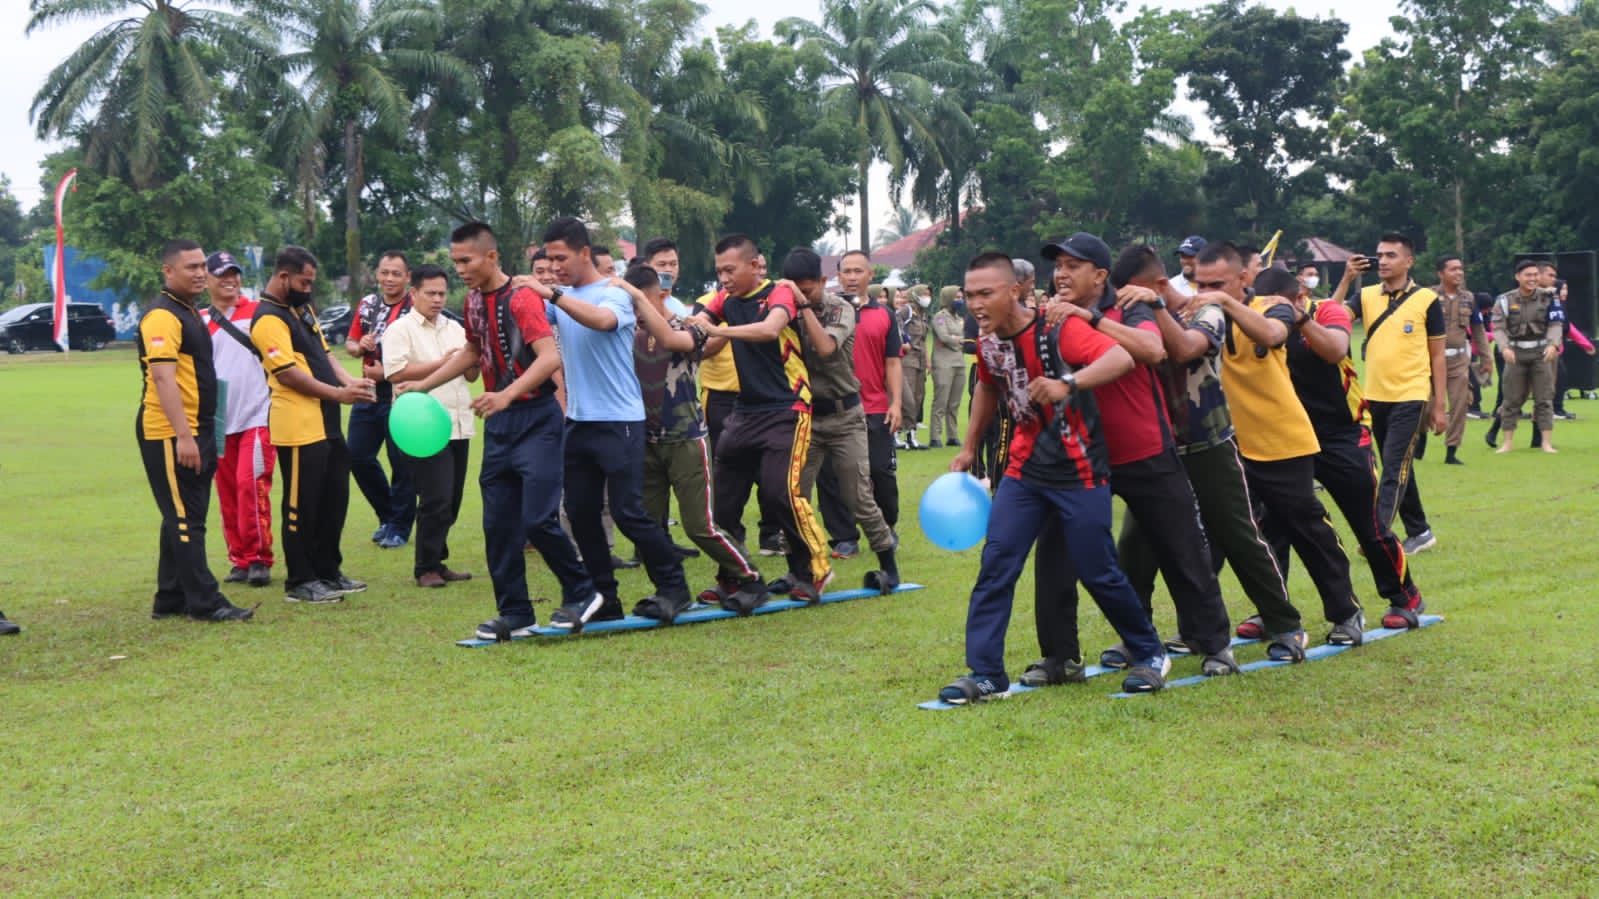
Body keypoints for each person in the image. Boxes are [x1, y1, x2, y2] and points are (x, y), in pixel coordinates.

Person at [939, 252, 1167, 704]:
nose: (976, 304)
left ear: (1015, 291)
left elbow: (1121, 358)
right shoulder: (986, 343)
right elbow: (988, 385)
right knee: (997, 564)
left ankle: (1149, 652)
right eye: (969, 295)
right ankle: (985, 673)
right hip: (1024, 471)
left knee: (1096, 568)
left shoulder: (1056, 327)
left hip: (1078, 469)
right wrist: (968, 447)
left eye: (986, 293)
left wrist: (1070, 383)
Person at [1037, 234, 1236, 678]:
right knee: (1058, 554)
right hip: (1079, 456)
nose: (1062, 275)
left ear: (1101, 276)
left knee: (1181, 548)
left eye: (1073, 266)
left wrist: (1088, 317)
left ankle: (1213, 644)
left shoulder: (1128, 305)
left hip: (1143, 449)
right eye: (1058, 267)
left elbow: (1152, 350)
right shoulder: (1050, 313)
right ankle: (1061, 656)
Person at [406, 222, 600, 638]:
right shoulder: (474, 300)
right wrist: (422, 385)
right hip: (501, 426)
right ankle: (515, 612)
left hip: (536, 418)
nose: (458, 268)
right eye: (454, 260)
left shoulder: (522, 298)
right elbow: (472, 352)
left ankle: (583, 592)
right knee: (497, 524)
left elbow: (549, 359)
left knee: (537, 519)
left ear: (491, 257)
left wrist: (506, 395)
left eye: (465, 260)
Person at [1109, 246, 1306, 653]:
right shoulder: (1133, 317)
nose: (1126, 301)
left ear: (1159, 285)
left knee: (1238, 534)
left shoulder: (1206, 309)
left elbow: (1185, 349)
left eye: (1133, 292)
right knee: (1136, 544)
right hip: (1157, 447)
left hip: (1208, 443)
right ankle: (1138, 639)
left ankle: (1285, 624)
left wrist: (1155, 305)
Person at [521, 217, 694, 626]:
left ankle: (674, 588)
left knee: (628, 512)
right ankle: (604, 597)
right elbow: (533, 319)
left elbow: (600, 322)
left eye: (562, 257)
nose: (556, 266)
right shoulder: (560, 297)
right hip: (578, 422)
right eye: (548, 260)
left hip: (620, 422)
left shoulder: (613, 292)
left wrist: (552, 293)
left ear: (584, 253)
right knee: (580, 514)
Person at [1201, 242, 1366, 651]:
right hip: (1229, 444)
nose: (1207, 292)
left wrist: (1224, 302)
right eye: (1200, 284)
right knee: (1242, 534)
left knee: (1307, 528)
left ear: (1244, 278)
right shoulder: (1200, 314)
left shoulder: (1271, 305)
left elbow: (1274, 334)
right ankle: (1268, 611)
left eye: (1217, 284)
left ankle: (1346, 611)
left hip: (1281, 439)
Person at [1258, 265, 1428, 630]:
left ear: (1300, 298)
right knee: (1273, 524)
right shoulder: (1257, 323)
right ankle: (1272, 609)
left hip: (1343, 434)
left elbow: (1335, 350)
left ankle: (1405, 596)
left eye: (1281, 306)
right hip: (1289, 436)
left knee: (1369, 524)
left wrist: (1299, 318)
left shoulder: (1326, 312)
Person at [689, 234, 833, 605]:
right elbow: (698, 335)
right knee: (722, 502)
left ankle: (812, 571)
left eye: (730, 269)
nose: (723, 278)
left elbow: (769, 330)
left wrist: (717, 330)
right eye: (719, 270)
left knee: (780, 493)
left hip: (788, 408)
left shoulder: (779, 293)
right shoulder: (725, 299)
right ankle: (735, 576)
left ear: (755, 265)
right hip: (745, 411)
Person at [614, 263, 764, 612]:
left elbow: (671, 341)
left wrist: (638, 297)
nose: (635, 311)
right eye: (630, 305)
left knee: (700, 526)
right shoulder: (627, 333)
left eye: (639, 303)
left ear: (660, 295)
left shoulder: (690, 327)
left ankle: (750, 579)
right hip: (645, 440)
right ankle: (669, 590)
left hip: (685, 438)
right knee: (649, 527)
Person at [138, 239, 255, 622]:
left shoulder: (188, 312)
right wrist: (184, 436)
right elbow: (162, 377)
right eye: (191, 267)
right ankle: (206, 602)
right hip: (171, 433)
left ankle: (170, 597)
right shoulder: (162, 316)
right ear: (168, 271)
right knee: (187, 518)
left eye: (202, 265)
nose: (200, 272)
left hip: (197, 428)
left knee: (181, 514)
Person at [251, 247, 374, 604]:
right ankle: (299, 580)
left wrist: (347, 382)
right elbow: (288, 375)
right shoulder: (268, 319)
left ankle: (327, 570)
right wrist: (339, 395)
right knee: (300, 504)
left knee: (333, 499)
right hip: (297, 422)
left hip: (326, 421)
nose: (309, 288)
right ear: (284, 277)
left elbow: (325, 354)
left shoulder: (301, 309)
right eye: (304, 282)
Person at [782, 248, 902, 593]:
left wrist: (801, 307)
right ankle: (798, 569)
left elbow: (825, 348)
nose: (804, 296)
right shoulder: (783, 307)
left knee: (858, 495)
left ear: (822, 281)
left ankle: (888, 564)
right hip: (806, 416)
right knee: (794, 496)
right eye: (797, 290)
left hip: (845, 415)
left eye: (809, 289)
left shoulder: (840, 308)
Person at [382, 264, 476, 588]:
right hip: (421, 425)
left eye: (442, 293)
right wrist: (446, 363)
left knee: (453, 499)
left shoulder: (455, 328)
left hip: (458, 422)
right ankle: (426, 568)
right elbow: (395, 374)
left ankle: (438, 559)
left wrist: (473, 359)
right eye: (430, 293)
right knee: (435, 497)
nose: (437, 299)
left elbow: (470, 373)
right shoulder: (399, 330)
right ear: (414, 294)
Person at [1353, 233, 1445, 555]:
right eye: (1380, 255)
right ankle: (1420, 531)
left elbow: (1437, 356)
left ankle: (1377, 537)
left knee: (1393, 467)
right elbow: (1330, 317)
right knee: (1401, 464)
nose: (1383, 260)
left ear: (1409, 261)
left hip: (1412, 394)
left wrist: (1440, 405)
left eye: (1391, 255)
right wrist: (1347, 279)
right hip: (1375, 395)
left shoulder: (1427, 301)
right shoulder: (1365, 296)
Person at [202, 250, 275, 588]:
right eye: (222, 274)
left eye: (234, 273)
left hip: (257, 415)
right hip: (219, 417)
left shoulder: (258, 313)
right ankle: (240, 559)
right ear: (208, 280)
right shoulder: (199, 319)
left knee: (251, 485)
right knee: (227, 490)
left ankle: (259, 557)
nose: (230, 280)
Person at [343, 251, 417, 550]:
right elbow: (349, 343)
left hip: (400, 394)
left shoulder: (415, 309)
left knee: (402, 463)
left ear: (407, 277)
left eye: (396, 273)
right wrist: (358, 346)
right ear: (376, 273)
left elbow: (423, 352)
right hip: (367, 392)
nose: (389, 278)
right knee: (356, 455)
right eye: (384, 272)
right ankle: (388, 515)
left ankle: (399, 526)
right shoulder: (368, 305)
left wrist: (387, 373)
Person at [1492, 259, 1564, 454]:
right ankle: (1507, 442)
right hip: (1515, 352)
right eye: (1528, 275)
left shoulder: (1549, 298)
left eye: (1535, 275)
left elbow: (1556, 324)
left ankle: (1546, 443)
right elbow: (1498, 327)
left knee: (1544, 398)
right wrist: (1504, 347)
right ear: (1518, 277)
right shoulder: (1505, 300)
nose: (1533, 279)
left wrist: (1553, 344)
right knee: (1511, 398)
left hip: (1542, 352)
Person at [1430, 255, 1490, 465]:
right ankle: (1417, 444)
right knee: (1423, 405)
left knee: (1460, 404)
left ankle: (1451, 451)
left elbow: (1478, 330)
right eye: (1453, 269)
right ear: (1441, 273)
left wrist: (1486, 358)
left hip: (1458, 360)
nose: (1458, 273)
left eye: (1460, 269)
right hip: (1429, 360)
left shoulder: (1469, 298)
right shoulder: (1426, 296)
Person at [928, 286, 967, 448]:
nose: (960, 300)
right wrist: (960, 341)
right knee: (941, 401)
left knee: (954, 402)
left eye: (961, 297)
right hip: (943, 363)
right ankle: (935, 436)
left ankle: (952, 435)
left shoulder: (958, 318)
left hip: (959, 362)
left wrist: (957, 339)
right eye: (956, 297)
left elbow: (965, 337)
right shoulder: (940, 316)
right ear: (949, 297)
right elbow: (943, 337)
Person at [898, 284, 930, 450]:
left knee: (918, 398)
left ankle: (911, 435)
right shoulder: (907, 311)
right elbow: (896, 325)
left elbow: (924, 340)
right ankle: (897, 433)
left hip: (920, 361)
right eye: (924, 294)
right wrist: (903, 342)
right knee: (907, 398)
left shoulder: (923, 314)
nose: (927, 297)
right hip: (908, 360)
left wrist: (928, 362)